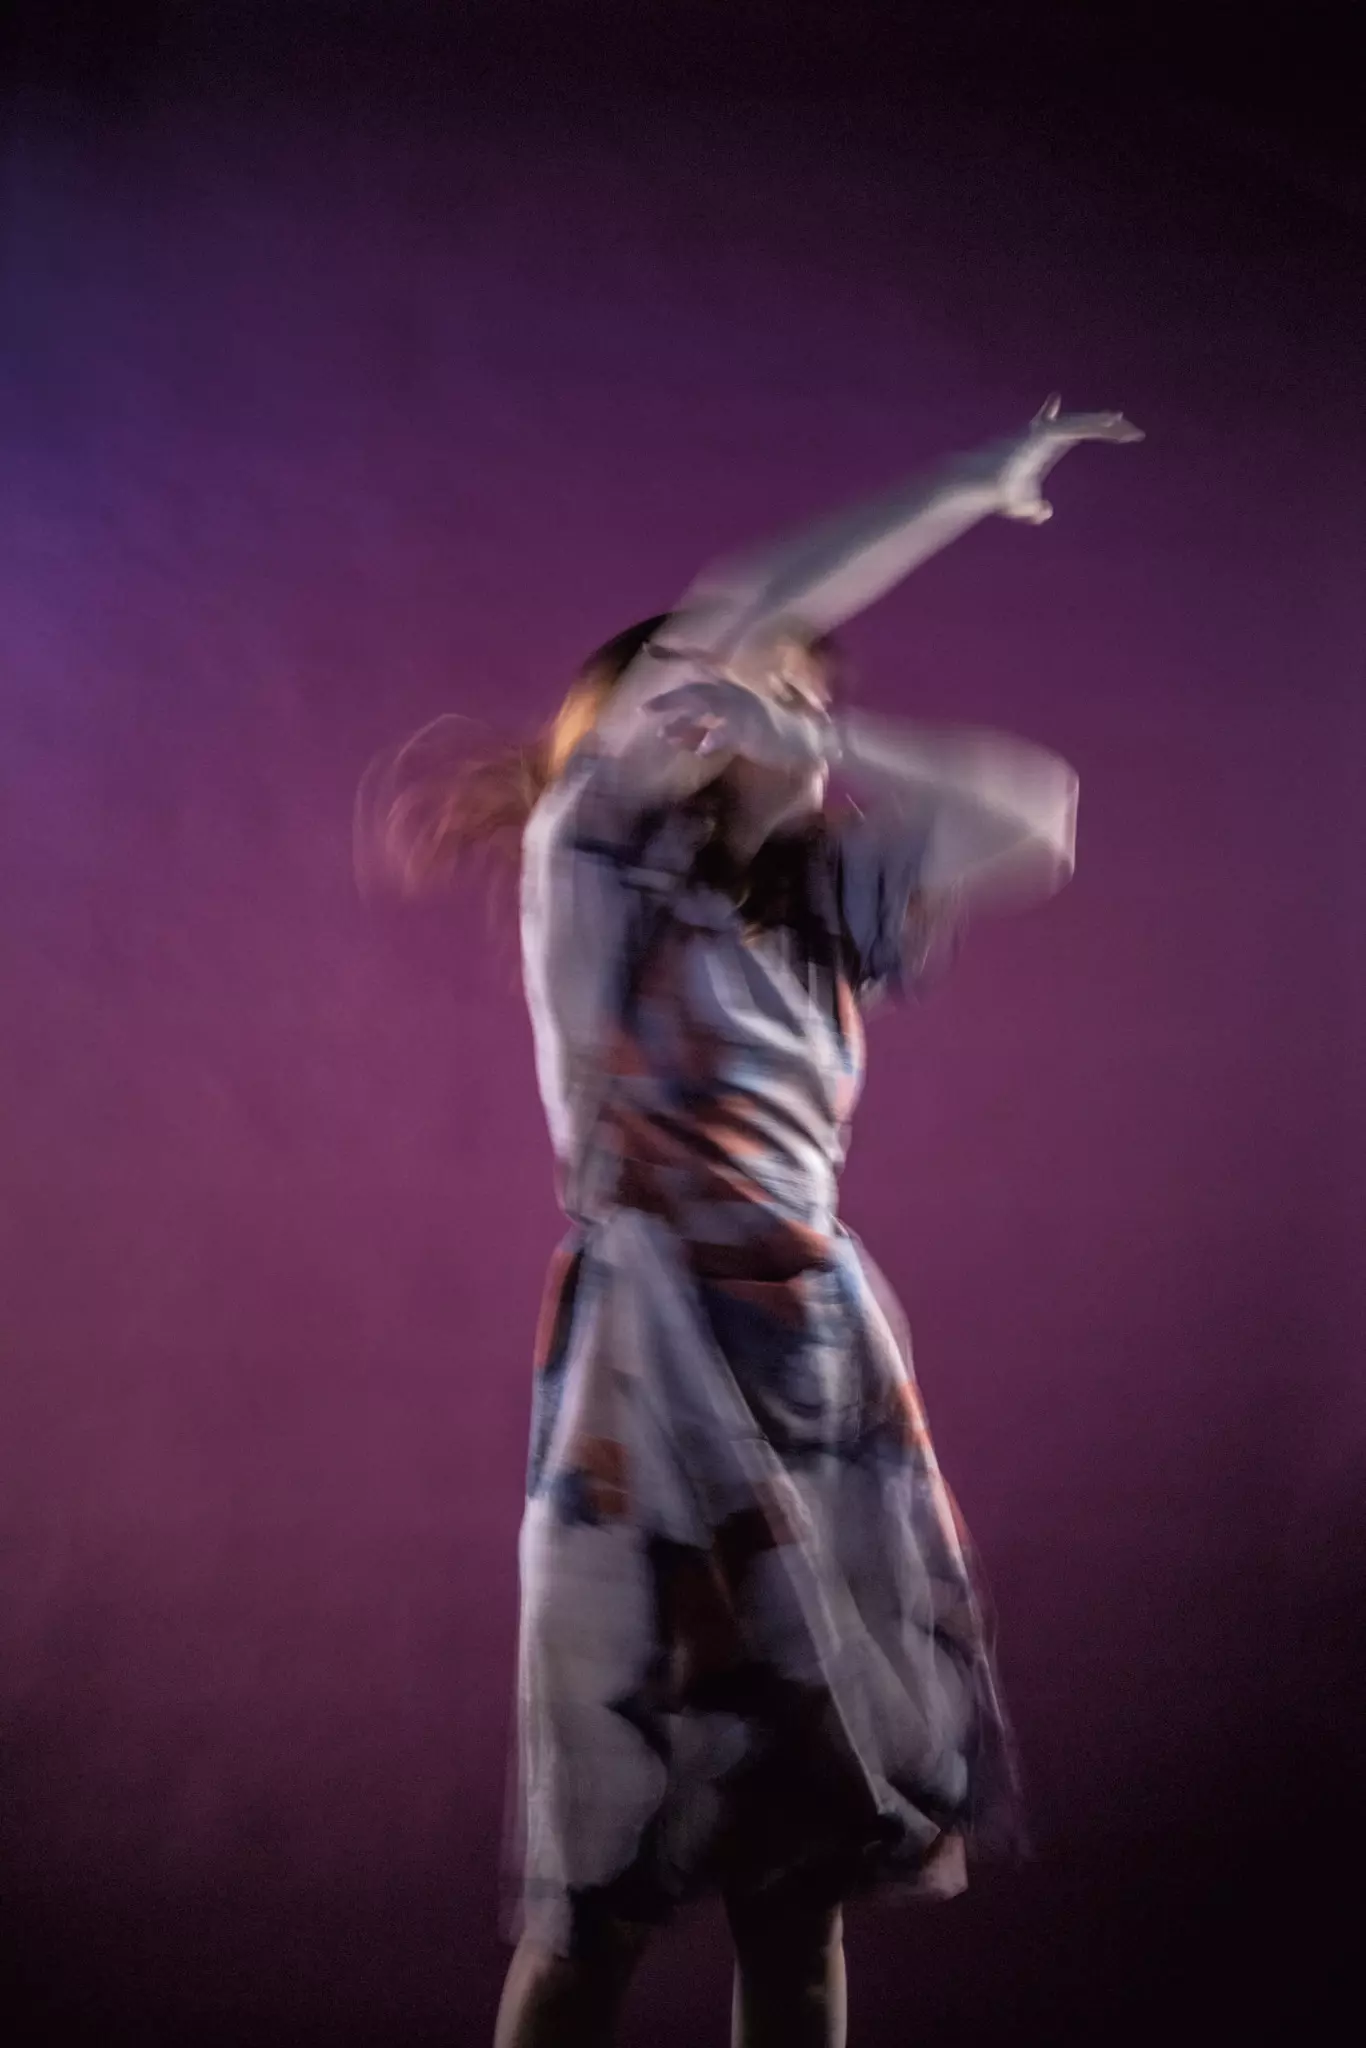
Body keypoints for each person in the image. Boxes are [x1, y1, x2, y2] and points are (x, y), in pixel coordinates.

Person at [359, 396, 1142, 2048]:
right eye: (709, 699)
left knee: (799, 1893)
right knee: (603, 1889)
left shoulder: (829, 902)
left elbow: (1040, 813)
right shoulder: (593, 864)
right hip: (650, 1371)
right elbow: (737, 602)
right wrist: (961, 484)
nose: (753, 709)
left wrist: (827, 745)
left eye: (790, 694)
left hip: (816, 1365)